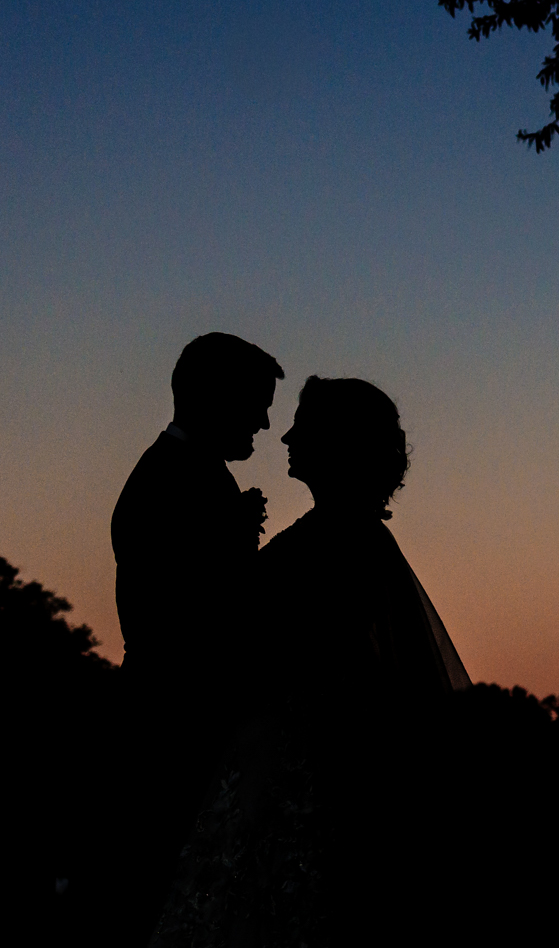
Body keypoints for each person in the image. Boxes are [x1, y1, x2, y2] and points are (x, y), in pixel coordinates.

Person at [151, 375, 469, 946]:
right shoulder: (340, 532)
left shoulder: (341, 539)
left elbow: (305, 645)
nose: (287, 436)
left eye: (304, 425)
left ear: (336, 442)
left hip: (303, 766)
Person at [111, 332, 284, 941]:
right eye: (257, 403)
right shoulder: (169, 484)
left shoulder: (194, 476)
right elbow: (184, 624)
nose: (266, 422)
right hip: (171, 732)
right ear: (216, 397)